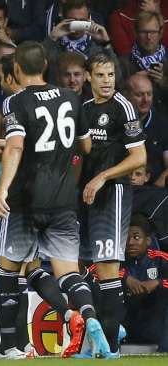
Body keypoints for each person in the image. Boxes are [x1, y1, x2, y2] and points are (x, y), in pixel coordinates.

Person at [0, 41, 108, 359]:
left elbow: (17, 147)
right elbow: (86, 146)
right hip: (63, 200)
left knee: (8, 271)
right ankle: (89, 318)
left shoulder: (16, 102)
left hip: (26, 200)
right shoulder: (71, 97)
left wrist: (1, 192)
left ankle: (10, 347)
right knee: (69, 272)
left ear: (18, 69)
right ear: (47, 66)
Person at [80, 52, 148, 358]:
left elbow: (139, 158)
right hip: (88, 196)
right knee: (89, 269)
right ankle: (101, 340)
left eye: (110, 75)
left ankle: (109, 349)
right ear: (88, 77)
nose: (107, 81)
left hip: (114, 193)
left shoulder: (123, 107)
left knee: (108, 270)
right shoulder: (83, 108)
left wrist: (102, 178)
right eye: (100, 75)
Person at [120, 213, 168, 353]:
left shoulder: (160, 259)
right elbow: (94, 272)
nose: (130, 242)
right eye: (126, 238)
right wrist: (125, 278)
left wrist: (158, 283)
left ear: (148, 241)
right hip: (124, 324)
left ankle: (165, 351)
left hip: (154, 326)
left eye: (136, 237)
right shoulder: (115, 260)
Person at [43, 0, 115, 85]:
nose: (78, 26)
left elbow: (116, 80)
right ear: (63, 19)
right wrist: (52, 38)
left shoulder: (96, 49)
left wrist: (106, 43)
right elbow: (36, 69)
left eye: (82, 21)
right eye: (73, 21)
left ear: (89, 20)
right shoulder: (53, 46)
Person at [124, 73, 168, 187]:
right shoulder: (116, 121)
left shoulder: (162, 123)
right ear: (126, 95)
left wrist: (156, 189)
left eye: (149, 94)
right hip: (122, 186)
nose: (146, 99)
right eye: (139, 95)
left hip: (154, 190)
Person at [118, 11, 168, 107]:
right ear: (136, 33)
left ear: (160, 33)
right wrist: (133, 81)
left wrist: (162, 81)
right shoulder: (123, 63)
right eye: (144, 32)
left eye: (153, 32)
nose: (149, 37)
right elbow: (115, 96)